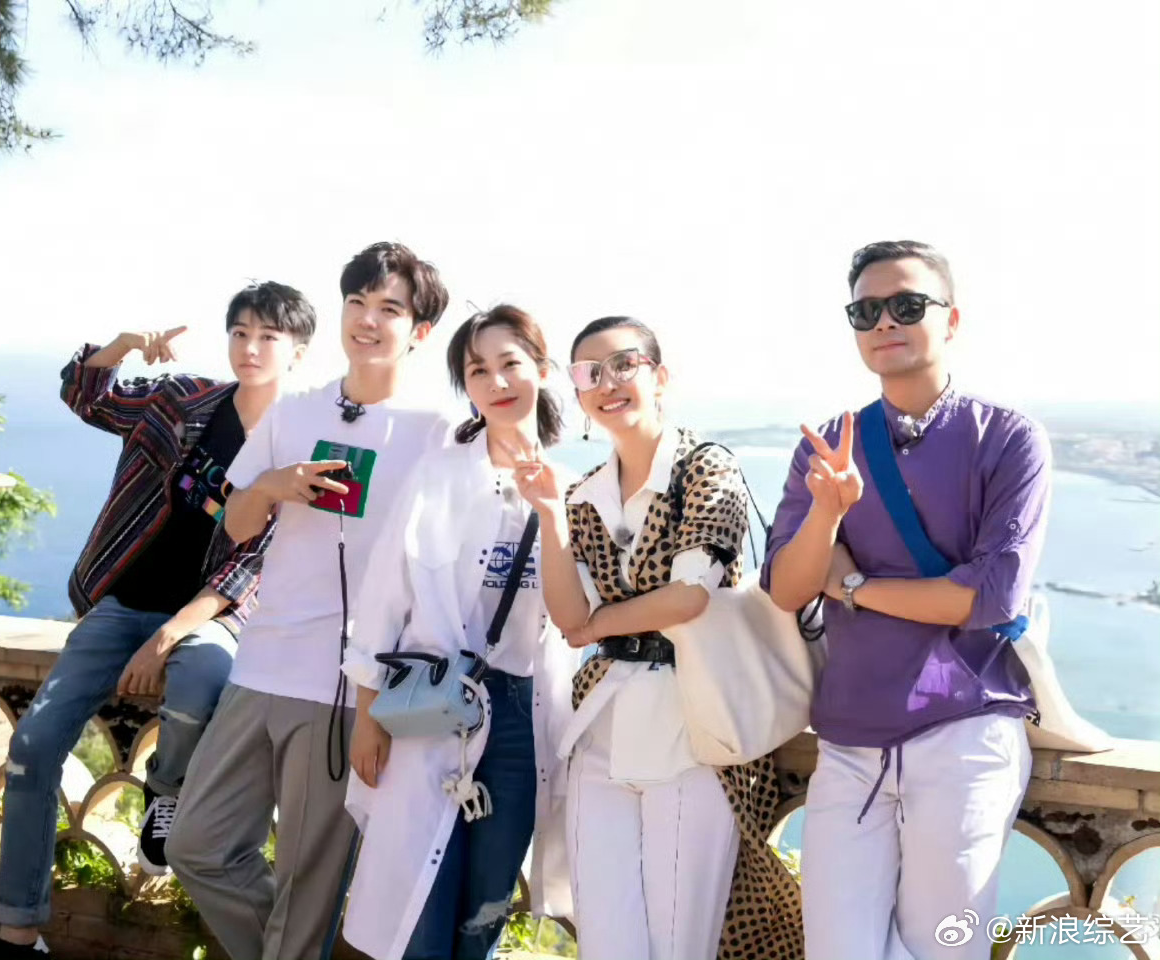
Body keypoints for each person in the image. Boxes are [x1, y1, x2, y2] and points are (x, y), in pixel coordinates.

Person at [0, 282, 313, 960]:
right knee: (32, 747)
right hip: (120, 601)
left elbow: (254, 562)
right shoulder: (182, 401)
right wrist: (123, 344)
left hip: (211, 614)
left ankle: (165, 791)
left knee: (201, 671)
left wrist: (168, 636)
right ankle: (17, 937)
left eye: (269, 336)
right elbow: (85, 394)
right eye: (240, 332)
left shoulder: (295, 446)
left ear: (298, 351)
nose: (251, 347)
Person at [165, 242, 452, 960]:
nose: (367, 319)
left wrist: (376, 701)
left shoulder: (438, 432)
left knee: (307, 887)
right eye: (357, 302)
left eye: (389, 308)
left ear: (419, 331)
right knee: (195, 845)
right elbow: (237, 526)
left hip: (344, 688)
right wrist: (273, 485)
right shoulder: (294, 410)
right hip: (259, 665)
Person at [764, 240, 1049, 960]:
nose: (884, 321)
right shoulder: (829, 445)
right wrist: (827, 514)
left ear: (951, 320)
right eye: (866, 311)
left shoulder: (1008, 438)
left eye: (906, 304)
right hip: (850, 739)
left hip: (964, 729)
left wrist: (852, 584)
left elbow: (988, 597)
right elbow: (786, 587)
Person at [515, 316, 803, 960]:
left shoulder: (706, 468)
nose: (607, 382)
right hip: (602, 729)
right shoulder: (583, 494)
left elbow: (689, 597)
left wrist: (598, 625)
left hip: (695, 728)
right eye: (589, 373)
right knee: (606, 943)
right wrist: (553, 518)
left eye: (624, 364)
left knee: (679, 943)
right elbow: (567, 615)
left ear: (660, 376)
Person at [342, 305, 577, 960]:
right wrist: (367, 715)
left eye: (511, 363)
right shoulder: (437, 475)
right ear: (466, 387)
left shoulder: (573, 491)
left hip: (520, 718)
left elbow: (577, 624)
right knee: (418, 905)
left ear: (542, 370)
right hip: (428, 704)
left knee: (485, 910)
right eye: (478, 371)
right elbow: (384, 598)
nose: (496, 382)